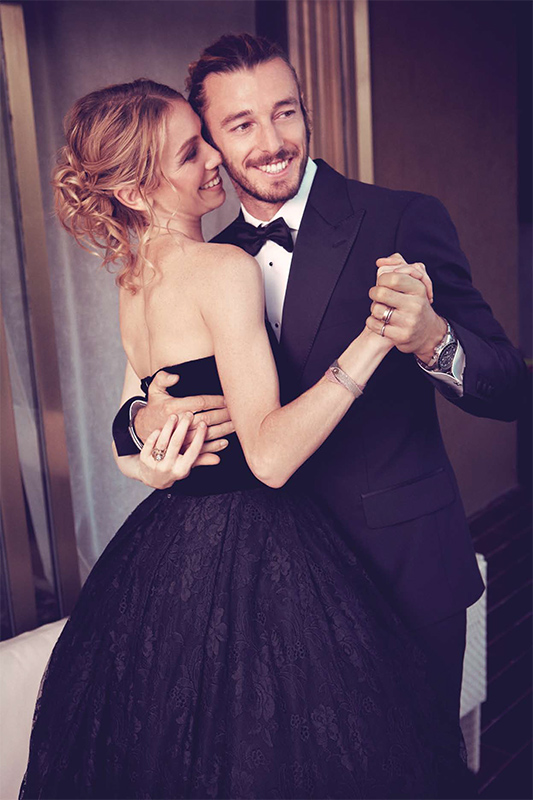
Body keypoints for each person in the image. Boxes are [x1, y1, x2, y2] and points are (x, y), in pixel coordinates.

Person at [20, 79, 473, 800]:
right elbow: (267, 457)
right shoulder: (224, 267)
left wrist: (142, 439)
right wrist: (373, 339)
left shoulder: (133, 280)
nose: (214, 161)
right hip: (257, 540)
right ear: (134, 192)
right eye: (190, 153)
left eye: (205, 141)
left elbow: (133, 422)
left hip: (168, 549)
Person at [113, 34, 526, 723]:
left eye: (286, 112)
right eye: (241, 124)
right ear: (210, 140)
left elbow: (509, 387)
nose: (273, 142)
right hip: (272, 594)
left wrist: (432, 338)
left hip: (399, 572)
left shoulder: (401, 217)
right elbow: (148, 392)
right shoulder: (210, 262)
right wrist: (142, 419)